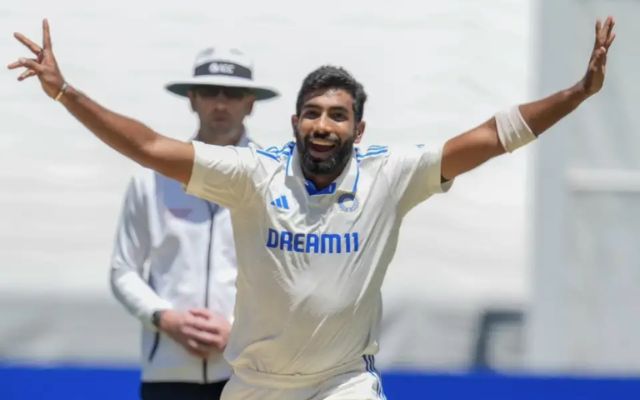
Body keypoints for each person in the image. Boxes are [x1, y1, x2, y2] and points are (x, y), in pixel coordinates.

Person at [9, 16, 616, 400]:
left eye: (338, 116)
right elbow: (147, 146)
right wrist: (65, 92)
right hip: (253, 384)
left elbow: (491, 136)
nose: (323, 126)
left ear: (358, 128)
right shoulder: (251, 173)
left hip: (342, 382)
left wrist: (576, 93)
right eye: (313, 114)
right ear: (294, 122)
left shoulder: (390, 174)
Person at [109, 47, 278, 400]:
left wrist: (238, 331)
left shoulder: (274, 179)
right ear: (192, 99)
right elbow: (123, 270)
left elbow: (290, 276)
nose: (221, 103)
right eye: (209, 91)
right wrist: (165, 318)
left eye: (232, 93)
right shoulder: (151, 178)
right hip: (168, 372)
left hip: (250, 371)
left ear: (250, 103)